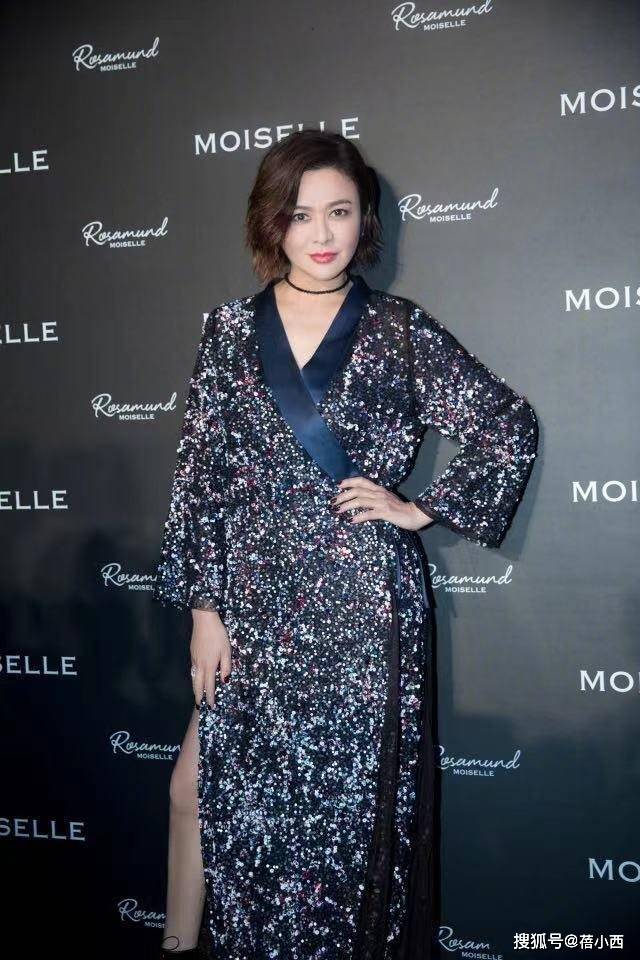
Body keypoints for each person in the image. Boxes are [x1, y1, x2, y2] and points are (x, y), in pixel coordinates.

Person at [152, 129, 538, 960]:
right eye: (300, 215)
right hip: (255, 604)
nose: (322, 233)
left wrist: (419, 508)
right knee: (202, 790)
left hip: (362, 608)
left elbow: (507, 427)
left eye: (340, 212)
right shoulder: (228, 331)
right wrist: (206, 611)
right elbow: (202, 480)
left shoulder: (399, 330)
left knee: (347, 824)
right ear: (271, 223)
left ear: (366, 220)